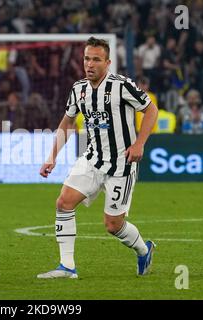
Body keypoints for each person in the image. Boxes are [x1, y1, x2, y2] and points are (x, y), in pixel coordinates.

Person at [37, 37, 158, 279]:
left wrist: (139, 143)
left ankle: (144, 250)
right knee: (64, 202)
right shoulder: (78, 89)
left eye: (96, 59)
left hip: (122, 164)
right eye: (86, 59)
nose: (89, 64)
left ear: (108, 62)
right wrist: (52, 156)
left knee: (113, 225)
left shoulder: (121, 86)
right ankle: (67, 266)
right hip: (92, 159)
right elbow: (68, 122)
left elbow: (150, 109)